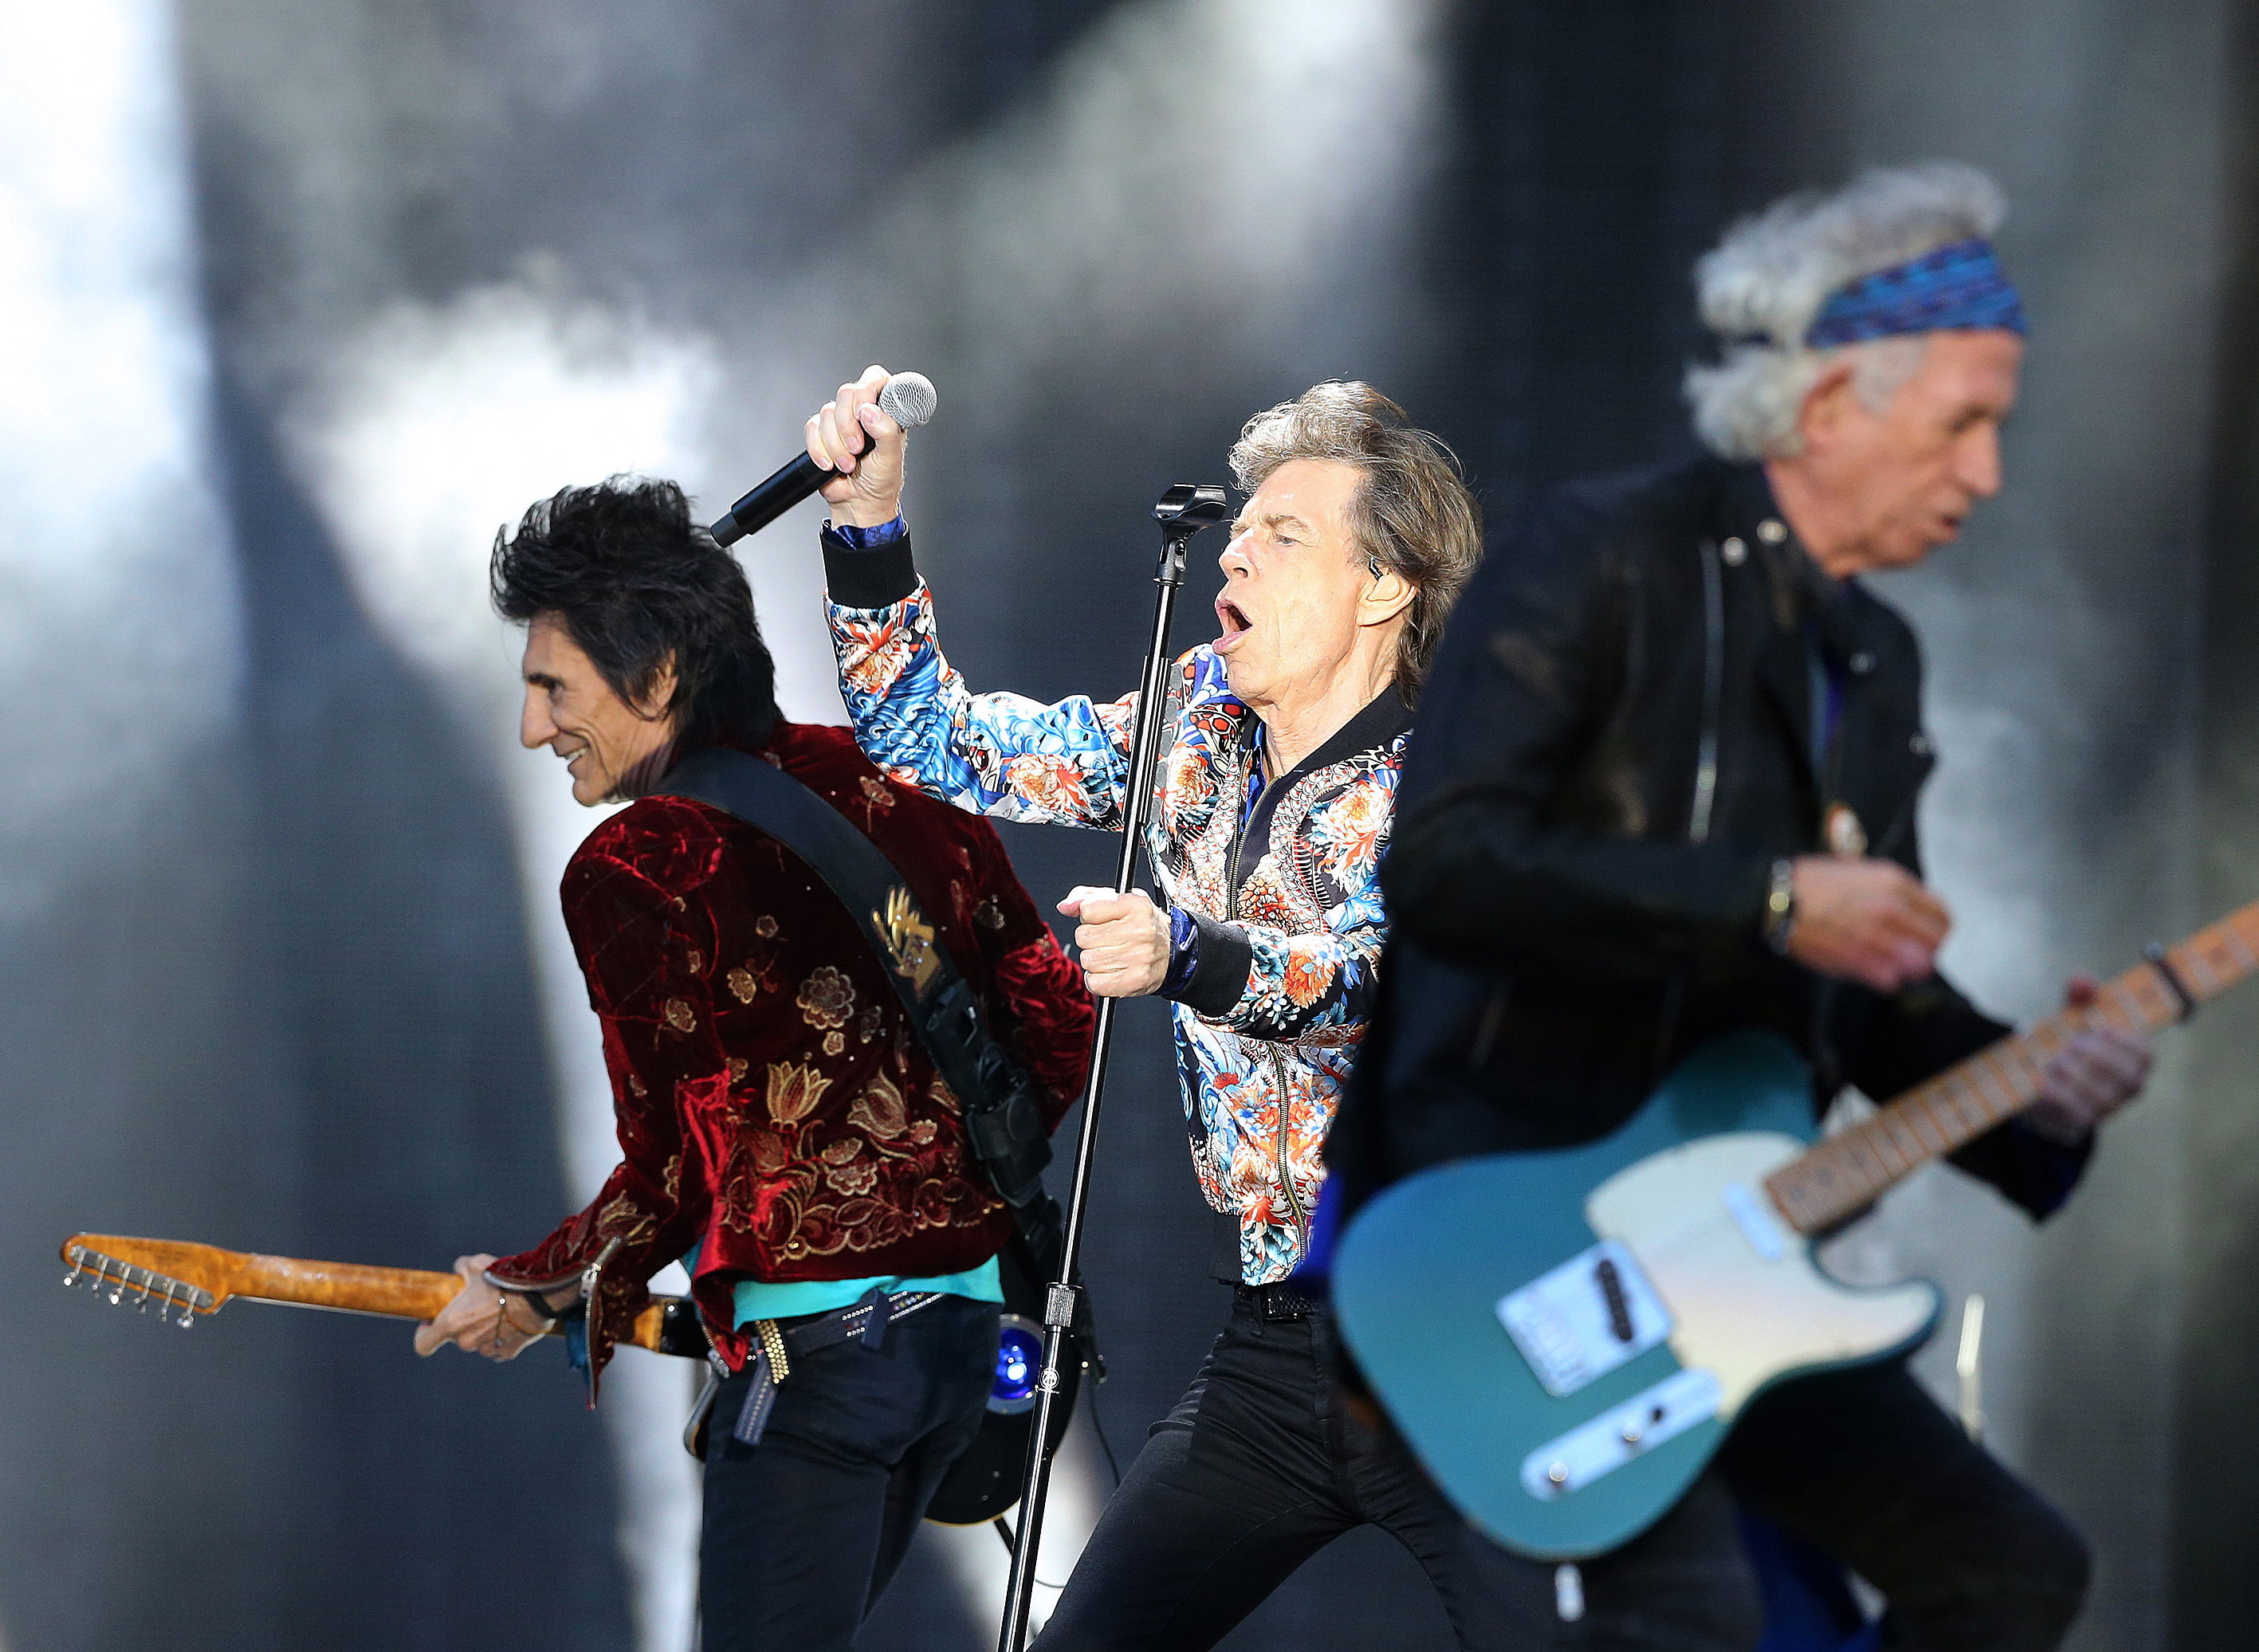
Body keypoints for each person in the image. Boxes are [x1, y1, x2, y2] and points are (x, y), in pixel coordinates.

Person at [1327, 163, 2156, 1650]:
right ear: (1831, 401)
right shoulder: (1598, 557)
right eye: (1965, 424)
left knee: (2010, 1567)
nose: (1986, 476)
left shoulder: (1874, 663)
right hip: (1516, 1234)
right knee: (1699, 1623)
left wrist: (2046, 1090)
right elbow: (1443, 866)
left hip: (1728, 1263)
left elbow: (1872, 996)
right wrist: (1769, 900)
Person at [808, 372, 1520, 1646]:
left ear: (1385, 584)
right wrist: (869, 530)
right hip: (1279, 1353)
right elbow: (939, 743)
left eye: (1282, 535)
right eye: (1238, 531)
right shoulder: (1197, 714)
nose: (1234, 552)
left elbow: (1372, 978)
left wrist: (1188, 951)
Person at [411, 478, 1094, 1652]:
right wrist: (928, 1186)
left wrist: (528, 1285)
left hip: (820, 1369)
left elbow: (672, 1167)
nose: (533, 728)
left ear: (661, 675)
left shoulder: (637, 863)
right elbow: (1057, 1019)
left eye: (552, 686)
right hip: (963, 1349)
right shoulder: (890, 780)